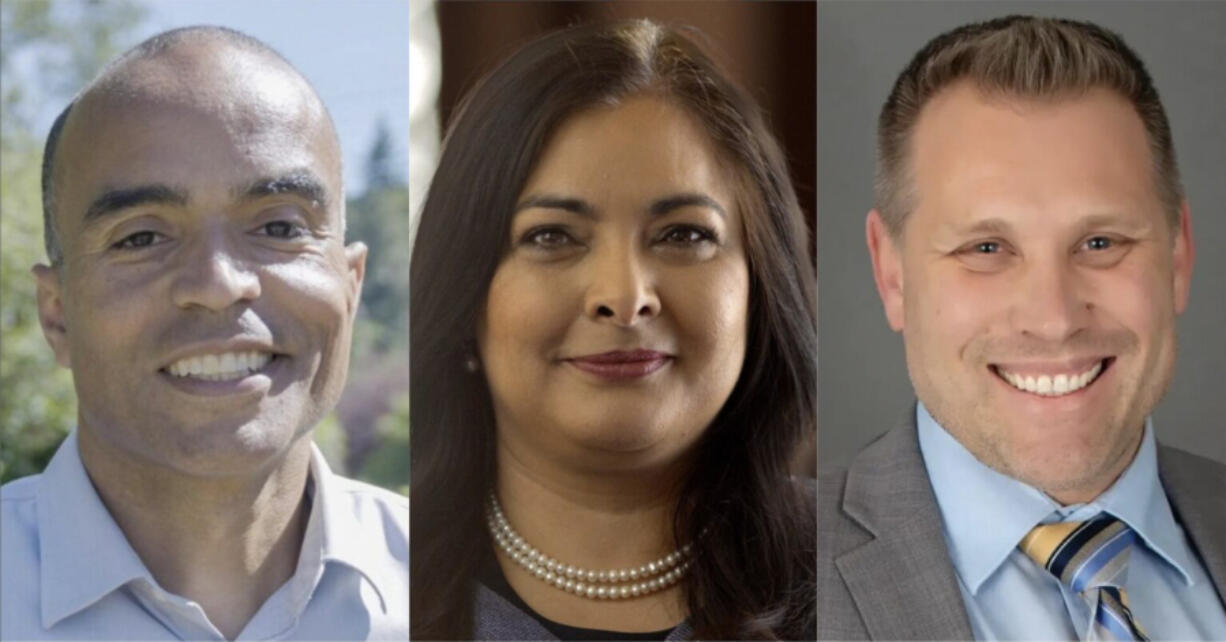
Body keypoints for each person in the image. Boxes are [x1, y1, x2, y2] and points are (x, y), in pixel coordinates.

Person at [817, 15, 1226, 640]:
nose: (1054, 319)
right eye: (986, 248)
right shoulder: (783, 573)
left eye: (1099, 241)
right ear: (891, 273)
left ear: (1177, 255)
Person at [411, 19, 816, 640]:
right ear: (467, 292)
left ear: (761, 289)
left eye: (684, 235)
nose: (624, 299)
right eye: (551, 237)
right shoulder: (367, 589)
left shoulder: (870, 578)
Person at [0, 26, 407, 640]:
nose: (219, 283)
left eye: (278, 227)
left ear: (350, 288)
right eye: (141, 237)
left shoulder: (466, 597)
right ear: (57, 313)